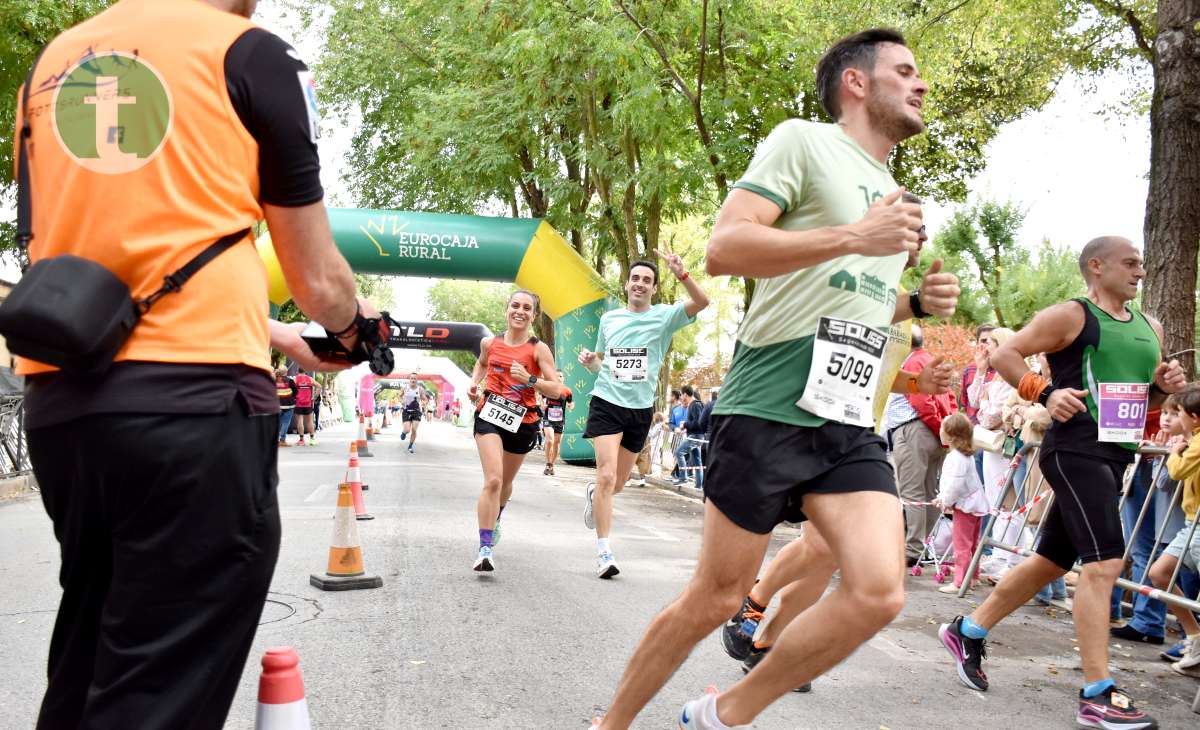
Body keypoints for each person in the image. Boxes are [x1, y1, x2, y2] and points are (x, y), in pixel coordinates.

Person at [13, 1, 379, 726]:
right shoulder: (249, 55)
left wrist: (277, 334)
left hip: (65, 403)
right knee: (159, 690)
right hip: (194, 409)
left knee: (92, 658)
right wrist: (353, 330)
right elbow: (317, 275)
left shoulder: (53, 61)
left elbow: (111, 252)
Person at [592, 28, 963, 729]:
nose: (920, 85)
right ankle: (608, 725)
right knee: (716, 596)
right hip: (769, 401)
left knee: (881, 591)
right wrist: (856, 235)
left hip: (846, 417)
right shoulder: (803, 141)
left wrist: (913, 304)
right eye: (905, 71)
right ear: (857, 83)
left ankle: (723, 712)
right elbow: (726, 247)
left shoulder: (896, 194)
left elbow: (851, 294)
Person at [938, 236, 1185, 729]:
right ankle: (1097, 693)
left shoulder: (1148, 326)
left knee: (1053, 559)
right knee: (1104, 563)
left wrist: (1165, 387)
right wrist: (1045, 393)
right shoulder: (1072, 315)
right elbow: (1009, 354)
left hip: (1115, 454)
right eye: (1130, 263)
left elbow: (1144, 402)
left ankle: (968, 631)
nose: (1140, 270)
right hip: (1074, 450)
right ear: (1097, 266)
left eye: (1141, 262)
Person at [579, 254, 709, 579]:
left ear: (653, 288)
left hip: (639, 410)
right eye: (635, 278)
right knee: (607, 476)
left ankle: (596, 496)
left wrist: (683, 274)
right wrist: (590, 360)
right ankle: (604, 552)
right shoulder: (609, 319)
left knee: (617, 484)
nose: (639, 283)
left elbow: (702, 301)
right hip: (606, 402)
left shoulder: (665, 317)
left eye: (646, 280)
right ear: (627, 284)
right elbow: (600, 364)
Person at [468, 290, 569, 572]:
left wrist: (530, 379)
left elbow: (556, 388)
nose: (520, 311)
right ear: (506, 310)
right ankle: (485, 548)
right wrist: (474, 384)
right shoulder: (490, 343)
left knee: (505, 483)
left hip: (522, 422)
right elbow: (482, 363)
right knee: (493, 480)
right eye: (515, 306)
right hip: (489, 414)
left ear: (534, 315)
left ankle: (497, 515)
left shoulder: (539, 349)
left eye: (527, 308)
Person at [1146, 385, 1200, 676]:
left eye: (1177, 412)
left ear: (1193, 417)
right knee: (1159, 573)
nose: (1173, 418)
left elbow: (1178, 472)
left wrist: (1173, 452)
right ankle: (1195, 636)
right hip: (1192, 522)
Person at [892, 324, 957, 566]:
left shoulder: (912, 363)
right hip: (935, 432)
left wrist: (935, 425)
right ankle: (921, 546)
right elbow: (949, 398)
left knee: (912, 493)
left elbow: (922, 402)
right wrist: (944, 430)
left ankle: (912, 549)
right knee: (929, 492)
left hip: (915, 430)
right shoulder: (930, 361)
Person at [934, 412, 989, 594]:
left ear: (951, 434)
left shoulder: (955, 457)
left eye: (942, 428)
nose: (940, 431)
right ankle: (973, 576)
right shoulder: (966, 455)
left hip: (966, 507)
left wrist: (944, 500)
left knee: (962, 546)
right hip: (976, 505)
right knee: (973, 544)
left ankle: (959, 582)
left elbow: (954, 485)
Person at [672, 385, 705, 488]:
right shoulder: (696, 404)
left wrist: (684, 424)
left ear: (685, 394)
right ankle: (699, 486)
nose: (681, 397)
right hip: (696, 435)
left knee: (678, 452)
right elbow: (696, 423)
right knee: (697, 461)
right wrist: (685, 428)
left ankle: (683, 478)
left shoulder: (694, 405)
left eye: (681, 395)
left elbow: (698, 423)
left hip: (695, 437)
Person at [542, 372, 573, 476]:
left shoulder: (567, 391)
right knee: (550, 440)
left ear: (563, 378)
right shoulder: (548, 388)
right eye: (556, 376)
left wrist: (571, 406)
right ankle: (547, 463)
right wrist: (543, 405)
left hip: (560, 420)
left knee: (557, 443)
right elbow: (542, 399)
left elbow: (570, 403)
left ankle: (551, 465)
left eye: (560, 376)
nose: (558, 378)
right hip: (548, 418)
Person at [292, 368, 318, 445]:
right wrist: (315, 397)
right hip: (308, 403)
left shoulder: (295, 379)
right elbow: (319, 386)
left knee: (300, 421)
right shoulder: (310, 379)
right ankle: (312, 439)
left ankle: (301, 440)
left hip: (298, 403)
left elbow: (290, 389)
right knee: (310, 421)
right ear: (305, 371)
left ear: (297, 371)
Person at [400, 375, 424, 454]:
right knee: (407, 429)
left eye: (415, 379)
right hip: (406, 410)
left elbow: (424, 398)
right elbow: (399, 396)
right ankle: (404, 432)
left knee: (414, 429)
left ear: (417, 380)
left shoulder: (420, 389)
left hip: (416, 411)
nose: (413, 380)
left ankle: (410, 446)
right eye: (411, 378)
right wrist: (401, 401)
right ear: (409, 379)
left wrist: (424, 402)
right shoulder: (405, 388)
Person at [275, 368, 297, 447]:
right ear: (286, 372)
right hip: (288, 405)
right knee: (285, 423)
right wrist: (291, 397)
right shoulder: (290, 381)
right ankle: (282, 440)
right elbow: (295, 391)